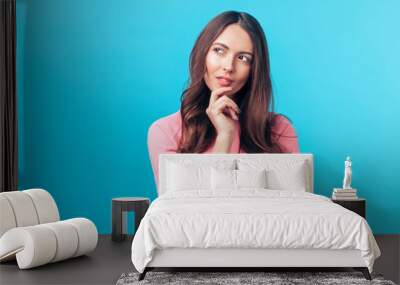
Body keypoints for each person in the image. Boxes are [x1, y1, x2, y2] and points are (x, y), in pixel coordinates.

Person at [147, 11, 299, 190]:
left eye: (243, 58)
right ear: (202, 53)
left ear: (254, 69)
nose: (228, 66)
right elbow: (185, 211)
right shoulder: (165, 131)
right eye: (219, 50)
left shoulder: (279, 129)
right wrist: (225, 137)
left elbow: (291, 207)